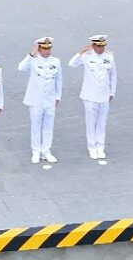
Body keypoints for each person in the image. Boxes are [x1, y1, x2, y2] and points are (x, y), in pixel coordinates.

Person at [70, 34, 117, 160]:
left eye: (103, 46)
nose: (101, 48)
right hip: (89, 95)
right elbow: (72, 64)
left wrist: (112, 92)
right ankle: (92, 147)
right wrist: (81, 51)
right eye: (98, 46)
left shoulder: (109, 57)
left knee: (102, 122)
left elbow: (113, 75)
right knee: (91, 123)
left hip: (104, 95)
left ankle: (100, 147)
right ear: (93, 45)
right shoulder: (86, 56)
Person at [18, 36, 63, 164]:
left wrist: (58, 96)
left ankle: (46, 151)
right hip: (36, 99)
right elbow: (21, 67)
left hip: (50, 99)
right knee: (36, 126)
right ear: (39, 48)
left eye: (48, 48)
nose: (47, 51)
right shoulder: (33, 60)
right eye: (44, 48)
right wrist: (32, 53)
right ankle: (36, 151)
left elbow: (59, 80)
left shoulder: (56, 61)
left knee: (48, 126)